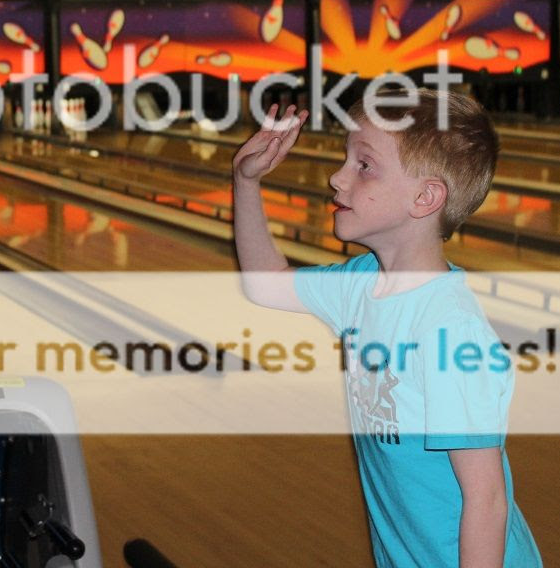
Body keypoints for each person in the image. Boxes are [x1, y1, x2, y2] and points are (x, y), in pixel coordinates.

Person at [231, 89, 540, 568]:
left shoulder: (448, 330)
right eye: (346, 159)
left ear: (425, 198)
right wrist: (245, 181)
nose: (337, 177)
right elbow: (265, 284)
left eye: (364, 165)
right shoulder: (361, 282)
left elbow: (486, 500)